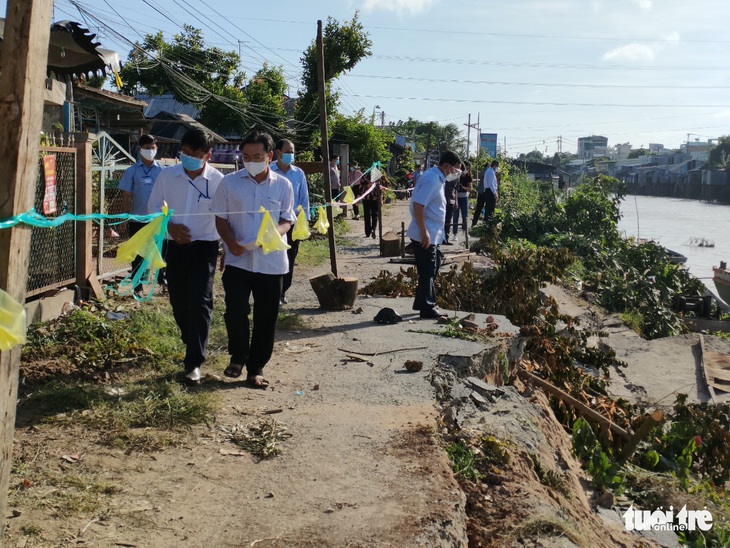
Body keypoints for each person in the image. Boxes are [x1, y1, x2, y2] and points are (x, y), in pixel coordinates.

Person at [212, 130, 295, 389]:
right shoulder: (229, 183)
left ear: (270, 156)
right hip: (238, 260)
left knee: (266, 316)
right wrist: (230, 243)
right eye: (246, 156)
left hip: (271, 262)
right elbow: (221, 218)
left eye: (257, 156)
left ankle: (256, 367)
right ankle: (238, 357)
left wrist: (272, 234)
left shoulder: (283, 184)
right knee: (236, 311)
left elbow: (287, 220)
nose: (251, 160)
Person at [147, 128, 224, 385]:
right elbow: (154, 207)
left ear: (208, 155)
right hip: (174, 246)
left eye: (196, 154)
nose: (189, 157)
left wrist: (226, 247)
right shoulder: (167, 176)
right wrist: (170, 227)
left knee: (200, 300)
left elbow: (226, 216)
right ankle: (191, 338)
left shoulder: (218, 181)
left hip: (205, 247)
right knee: (179, 301)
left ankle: (194, 363)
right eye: (186, 152)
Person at [407, 150, 462, 319]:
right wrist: (424, 232)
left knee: (433, 265)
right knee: (428, 270)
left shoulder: (438, 178)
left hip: (433, 233)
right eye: (455, 170)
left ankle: (421, 301)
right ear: (446, 166)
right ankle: (428, 307)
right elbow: (418, 206)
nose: (456, 174)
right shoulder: (432, 179)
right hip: (426, 233)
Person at [118, 134, 164, 297]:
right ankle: (137, 286)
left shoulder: (163, 171)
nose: (150, 151)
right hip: (137, 218)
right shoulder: (132, 171)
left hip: (158, 220)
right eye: (146, 148)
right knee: (138, 253)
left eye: (152, 148)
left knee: (162, 250)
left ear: (156, 148)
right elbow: (126, 195)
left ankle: (162, 280)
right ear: (139, 149)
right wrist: (125, 218)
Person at [269, 138, 309, 305]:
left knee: (290, 257)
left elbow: (304, 197)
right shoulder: (269, 170)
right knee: (273, 257)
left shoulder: (298, 173)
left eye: (293, 152)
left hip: (292, 223)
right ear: (278, 153)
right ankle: (272, 292)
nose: (291, 155)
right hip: (272, 224)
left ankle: (283, 291)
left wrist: (305, 221)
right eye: (288, 152)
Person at [472, 160, 499, 226]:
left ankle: (476, 224)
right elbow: (491, 184)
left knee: (483, 208)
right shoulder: (490, 172)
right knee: (489, 209)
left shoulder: (489, 171)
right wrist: (495, 193)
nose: (498, 168)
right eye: (498, 166)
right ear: (495, 166)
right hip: (488, 191)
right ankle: (487, 225)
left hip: (485, 191)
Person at [452, 161, 473, 238]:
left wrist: (463, 187)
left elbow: (470, 189)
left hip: (464, 197)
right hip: (456, 197)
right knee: (455, 216)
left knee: (465, 215)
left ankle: (465, 232)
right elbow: (454, 188)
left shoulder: (468, 176)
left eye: (467, 167)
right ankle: (455, 234)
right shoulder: (457, 176)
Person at [443, 169, 457, 245]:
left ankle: (446, 238)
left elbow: (456, 190)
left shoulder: (456, 177)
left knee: (448, 220)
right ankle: (440, 238)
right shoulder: (444, 175)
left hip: (451, 200)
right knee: (442, 220)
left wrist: (456, 201)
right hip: (443, 200)